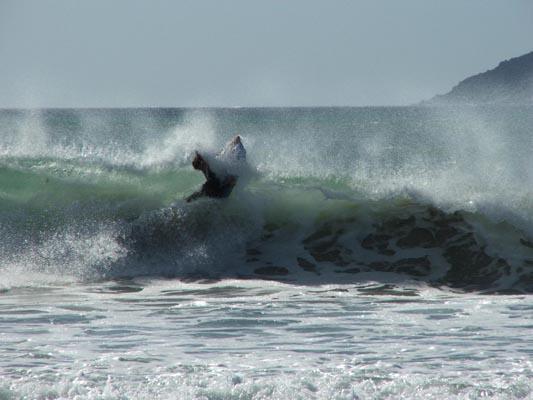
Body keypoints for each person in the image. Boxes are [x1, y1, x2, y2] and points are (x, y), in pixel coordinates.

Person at [186, 135, 246, 202]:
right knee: (203, 191)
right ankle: (187, 201)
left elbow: (231, 178)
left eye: (200, 167)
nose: (201, 169)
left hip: (220, 189)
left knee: (204, 190)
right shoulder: (211, 167)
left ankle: (188, 201)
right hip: (219, 190)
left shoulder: (213, 167)